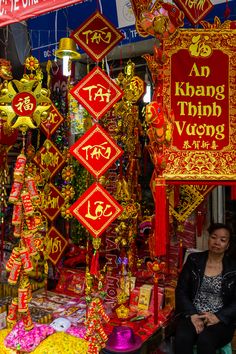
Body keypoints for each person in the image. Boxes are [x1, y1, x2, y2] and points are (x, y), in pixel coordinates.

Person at [174, 222, 236, 354]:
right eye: (214, 237)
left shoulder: (233, 268)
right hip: (194, 314)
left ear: (228, 245)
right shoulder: (194, 260)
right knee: (182, 338)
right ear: (208, 239)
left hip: (220, 319)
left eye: (222, 240)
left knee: (206, 340)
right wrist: (192, 314)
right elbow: (181, 290)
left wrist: (218, 316)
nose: (217, 242)